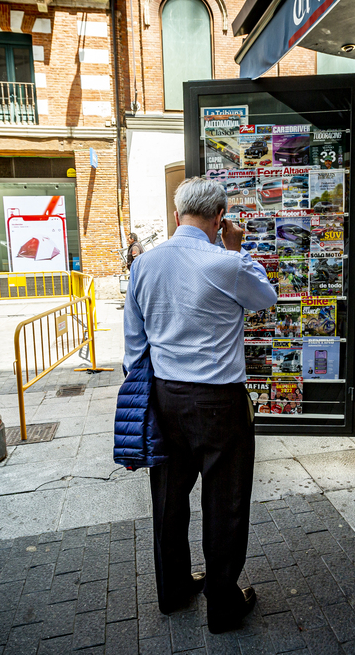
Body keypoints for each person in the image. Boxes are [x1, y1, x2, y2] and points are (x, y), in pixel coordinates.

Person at [122, 177, 277, 633]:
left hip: (164, 395)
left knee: (169, 500)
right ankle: (222, 603)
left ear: (176, 216)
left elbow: (134, 345)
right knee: (224, 502)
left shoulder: (144, 263)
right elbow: (265, 299)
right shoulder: (226, 263)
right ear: (219, 219)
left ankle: (172, 589)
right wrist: (237, 249)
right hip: (219, 401)